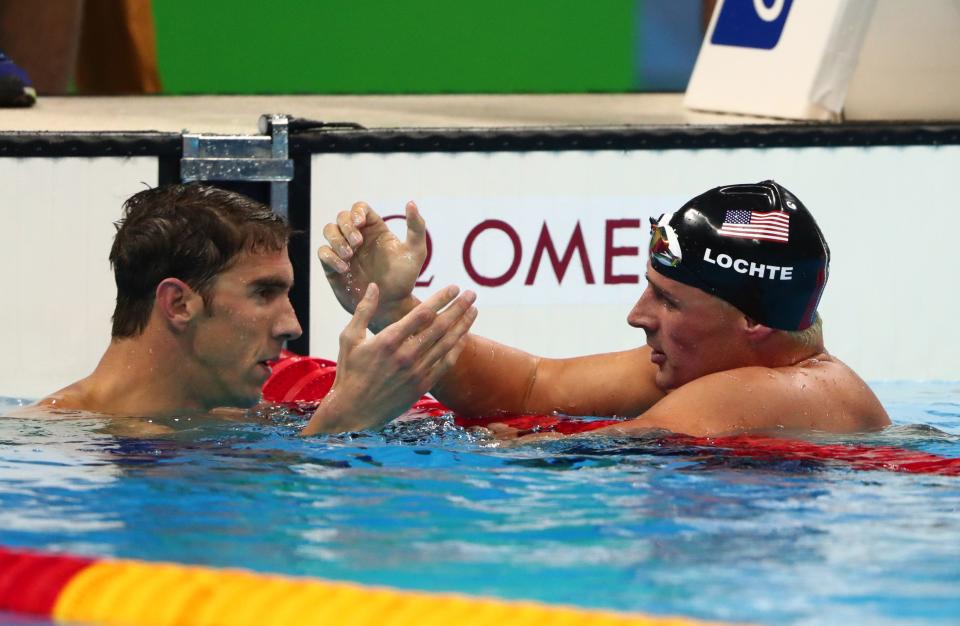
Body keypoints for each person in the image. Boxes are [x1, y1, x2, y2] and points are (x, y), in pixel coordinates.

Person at [317, 180, 890, 438]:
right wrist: (395, 307)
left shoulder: (771, 391)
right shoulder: (714, 365)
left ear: (754, 321)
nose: (638, 315)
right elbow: (530, 388)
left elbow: (574, 452)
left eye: (668, 299)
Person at [30, 183, 477, 435]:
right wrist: (342, 424)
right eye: (264, 293)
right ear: (179, 304)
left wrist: (392, 306)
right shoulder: (51, 441)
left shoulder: (242, 418)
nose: (292, 325)